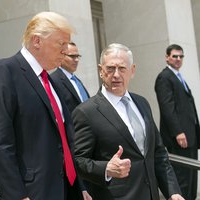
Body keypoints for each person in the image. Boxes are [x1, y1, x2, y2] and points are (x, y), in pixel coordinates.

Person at [0, 12, 91, 200]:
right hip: (29, 191)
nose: (66, 50)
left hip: (64, 189)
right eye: (61, 43)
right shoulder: (5, 71)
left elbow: (64, 140)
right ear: (37, 41)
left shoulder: (50, 82)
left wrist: (80, 187)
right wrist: (17, 195)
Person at [72, 43, 184, 200]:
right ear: (101, 71)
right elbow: (77, 160)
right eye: (110, 68)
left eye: (122, 68)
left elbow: (158, 153)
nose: (116, 74)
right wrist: (106, 169)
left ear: (132, 70)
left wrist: (173, 191)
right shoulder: (86, 112)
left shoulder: (142, 103)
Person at [155, 44, 199, 200]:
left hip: (190, 137)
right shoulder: (164, 77)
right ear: (167, 57)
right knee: (182, 179)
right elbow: (167, 107)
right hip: (179, 138)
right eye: (175, 56)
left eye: (181, 56)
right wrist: (178, 132)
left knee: (192, 178)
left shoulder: (179, 77)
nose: (178, 59)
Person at [50, 42, 90, 113]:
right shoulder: (53, 80)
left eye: (77, 56)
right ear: (61, 56)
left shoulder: (77, 81)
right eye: (72, 56)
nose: (76, 60)